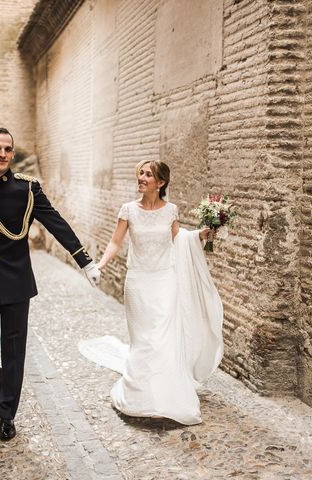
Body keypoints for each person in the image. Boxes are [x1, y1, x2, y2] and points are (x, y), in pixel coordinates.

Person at [0, 127, 101, 441]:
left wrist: (85, 261)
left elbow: (55, 222)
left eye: (7, 149)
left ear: (12, 154)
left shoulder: (28, 189)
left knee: (13, 349)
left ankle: (6, 413)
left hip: (16, 281)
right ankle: (4, 390)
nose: (2, 154)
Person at [81, 160, 224, 425]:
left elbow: (178, 239)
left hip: (164, 282)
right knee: (144, 340)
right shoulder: (128, 210)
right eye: (141, 173)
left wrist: (202, 235)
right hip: (137, 282)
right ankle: (140, 395)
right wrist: (99, 264)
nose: (142, 177)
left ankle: (163, 395)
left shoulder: (171, 210)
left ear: (160, 183)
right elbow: (115, 241)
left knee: (161, 338)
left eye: (148, 175)